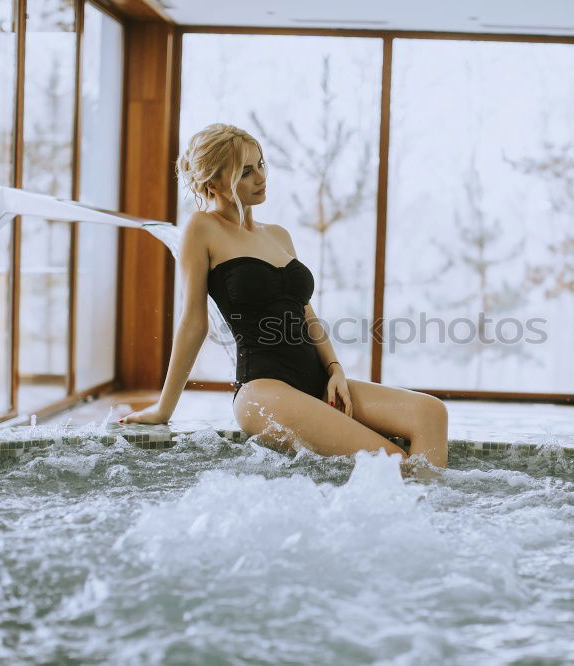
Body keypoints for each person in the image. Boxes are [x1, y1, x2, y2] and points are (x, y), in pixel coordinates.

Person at [120, 123, 449, 468]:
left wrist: (335, 370)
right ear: (213, 183)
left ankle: (429, 515)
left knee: (430, 412)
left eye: (261, 164)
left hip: (316, 382)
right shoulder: (202, 228)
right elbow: (193, 323)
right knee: (392, 462)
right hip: (263, 391)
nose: (261, 177)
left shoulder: (278, 236)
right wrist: (163, 409)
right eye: (246, 171)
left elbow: (306, 314)